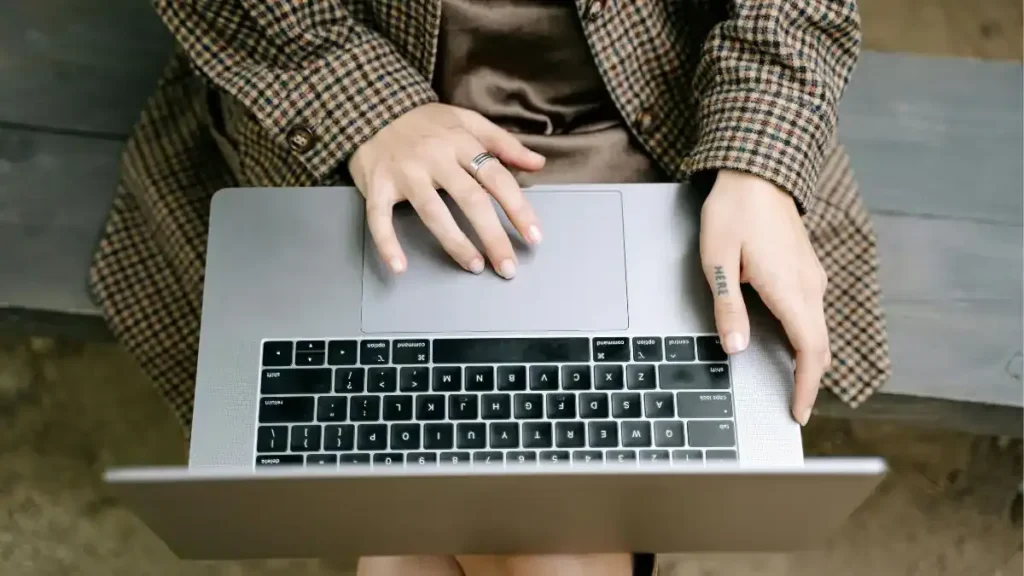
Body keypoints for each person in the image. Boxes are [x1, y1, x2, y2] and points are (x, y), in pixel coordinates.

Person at [89, 0, 892, 574]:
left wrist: (758, 165)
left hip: (652, 122)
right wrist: (366, 108)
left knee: (440, 537)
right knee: (516, 534)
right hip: (355, 97)